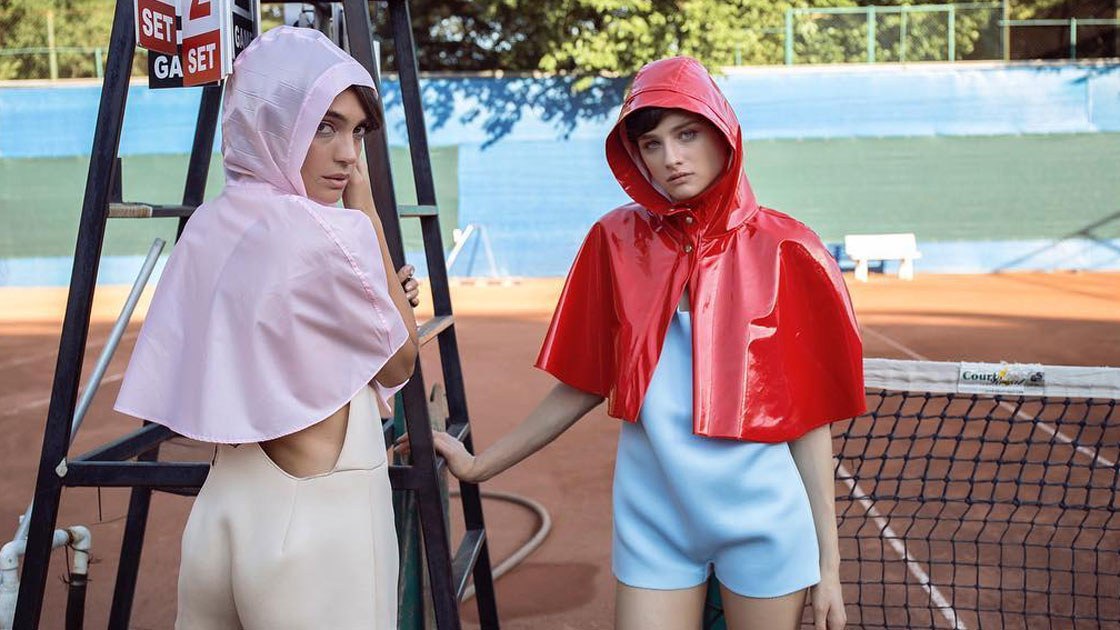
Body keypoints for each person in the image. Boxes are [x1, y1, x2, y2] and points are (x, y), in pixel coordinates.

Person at [401, 56, 865, 630]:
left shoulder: (788, 247)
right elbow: (585, 384)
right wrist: (478, 465)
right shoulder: (614, 241)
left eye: (687, 134)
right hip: (655, 521)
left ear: (723, 132)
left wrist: (829, 566)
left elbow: (808, 423)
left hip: (765, 523)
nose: (670, 158)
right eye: (651, 144)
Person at [114, 26, 419, 629]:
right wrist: (365, 215)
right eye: (325, 126)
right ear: (275, 123)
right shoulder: (326, 230)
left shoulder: (211, 224)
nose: (348, 155)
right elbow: (401, 360)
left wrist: (375, 293)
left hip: (220, 517)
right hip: (317, 531)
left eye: (357, 132)